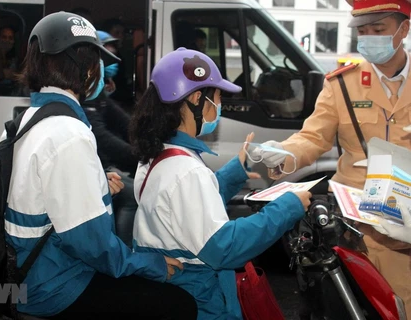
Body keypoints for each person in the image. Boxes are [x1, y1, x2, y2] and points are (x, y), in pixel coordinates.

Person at [7, 12, 197, 319]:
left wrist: (96, 185)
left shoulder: (24, 122)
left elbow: (39, 196)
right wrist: (154, 265)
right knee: (179, 305)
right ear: (84, 69)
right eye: (97, 62)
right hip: (51, 286)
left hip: (21, 274)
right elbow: (92, 246)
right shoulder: (69, 134)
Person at [249, 0, 411, 316]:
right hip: (353, 230)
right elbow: (312, 138)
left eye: (378, 29)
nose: (369, 37)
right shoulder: (342, 85)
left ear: (404, 28)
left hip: (406, 230)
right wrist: (283, 154)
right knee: (349, 308)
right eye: (363, 31)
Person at [129, 47, 312, 320]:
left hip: (172, 291)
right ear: (195, 99)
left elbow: (186, 210)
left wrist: (236, 169)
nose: (219, 105)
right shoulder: (186, 170)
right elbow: (225, 249)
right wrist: (288, 207)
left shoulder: (157, 154)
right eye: (217, 97)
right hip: (201, 302)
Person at [81, 30, 140, 247]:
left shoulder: (100, 93)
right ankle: (123, 250)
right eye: (106, 56)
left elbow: (124, 122)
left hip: (102, 164)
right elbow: (102, 137)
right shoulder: (86, 94)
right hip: (94, 168)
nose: (111, 61)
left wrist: (152, 137)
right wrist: (137, 155)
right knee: (132, 195)